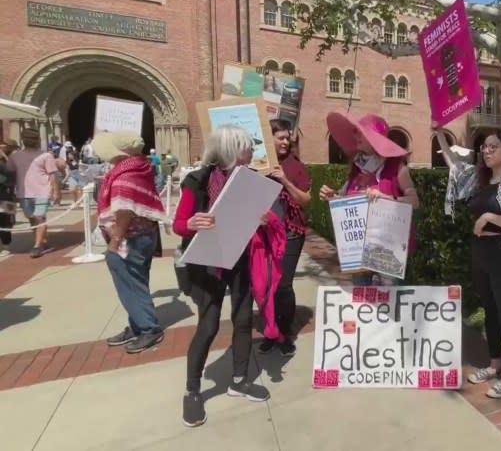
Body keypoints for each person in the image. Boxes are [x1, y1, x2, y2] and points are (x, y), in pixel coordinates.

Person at [174, 125, 273, 428]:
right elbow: (179, 224)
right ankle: (192, 391)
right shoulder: (198, 180)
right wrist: (192, 222)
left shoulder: (250, 181)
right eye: (247, 147)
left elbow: (259, 217)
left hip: (239, 258)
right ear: (231, 150)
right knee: (209, 323)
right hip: (207, 263)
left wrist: (264, 218)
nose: (252, 153)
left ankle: (239, 380)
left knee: (243, 319)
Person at [436, 128, 501, 399]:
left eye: (493, 146)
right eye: (483, 147)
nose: (486, 150)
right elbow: (454, 167)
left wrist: (490, 218)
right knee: (490, 310)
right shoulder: (478, 180)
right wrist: (439, 133)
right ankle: (495, 363)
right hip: (480, 252)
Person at [318, 113, 419, 285]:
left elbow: (414, 201)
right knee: (362, 302)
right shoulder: (357, 168)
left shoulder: (397, 168)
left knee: (389, 300)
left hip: (387, 249)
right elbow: (345, 200)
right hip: (357, 249)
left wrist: (387, 198)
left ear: (374, 138)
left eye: (360, 132)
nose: (355, 136)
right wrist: (332, 197)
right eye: (355, 132)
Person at [94, 132, 167, 353]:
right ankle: (138, 325)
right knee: (136, 281)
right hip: (143, 234)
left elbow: (124, 209)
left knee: (130, 283)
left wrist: (115, 240)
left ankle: (148, 328)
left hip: (129, 238)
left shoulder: (124, 175)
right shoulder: (139, 167)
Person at [257, 119, 312, 357]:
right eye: (280, 137)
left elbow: (305, 200)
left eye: (287, 137)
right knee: (265, 284)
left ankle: (285, 332)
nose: (285, 141)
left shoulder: (295, 166)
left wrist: (284, 180)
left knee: (283, 284)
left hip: (290, 233)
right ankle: (272, 331)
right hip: (262, 233)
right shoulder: (256, 164)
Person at [9, 128, 62, 258]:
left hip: (42, 191)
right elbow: (9, 170)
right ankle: (42, 241)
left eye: (32, 138)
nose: (30, 141)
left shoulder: (46, 155)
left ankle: (37, 245)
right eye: (27, 138)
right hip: (23, 192)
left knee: (40, 217)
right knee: (32, 218)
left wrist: (56, 191)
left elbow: (52, 175)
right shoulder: (15, 156)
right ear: (23, 140)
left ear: (37, 140)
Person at [0, 141, 17, 256]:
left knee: (5, 221)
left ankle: (5, 245)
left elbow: (11, 178)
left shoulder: (6, 165)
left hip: (5, 197)